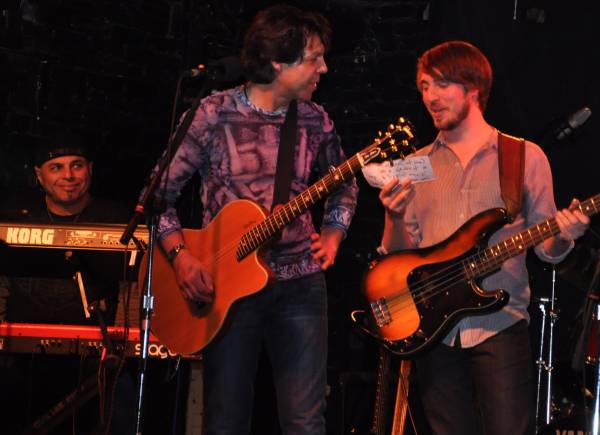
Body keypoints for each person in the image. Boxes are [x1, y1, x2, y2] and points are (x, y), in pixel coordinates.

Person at [148, 4, 358, 434]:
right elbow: (157, 198)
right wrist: (181, 257)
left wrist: (334, 233)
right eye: (315, 58)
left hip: (300, 284)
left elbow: (344, 184)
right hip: (226, 286)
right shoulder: (212, 113)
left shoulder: (315, 120)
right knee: (225, 419)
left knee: (305, 421)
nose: (324, 68)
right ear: (279, 62)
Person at [377, 40, 590, 434]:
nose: (430, 97)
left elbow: (548, 250)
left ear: (473, 88)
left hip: (500, 324)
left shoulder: (524, 157)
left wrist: (566, 235)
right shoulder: (414, 166)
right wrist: (393, 214)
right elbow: (396, 256)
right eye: (423, 87)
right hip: (433, 332)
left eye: (440, 85)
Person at [0, 133, 136, 434]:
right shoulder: (18, 217)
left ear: (90, 169)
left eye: (76, 165)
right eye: (56, 167)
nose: (68, 176)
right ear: (39, 175)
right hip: (21, 358)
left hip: (96, 356)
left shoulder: (117, 220)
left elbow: (133, 285)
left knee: (121, 397)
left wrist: (127, 343)